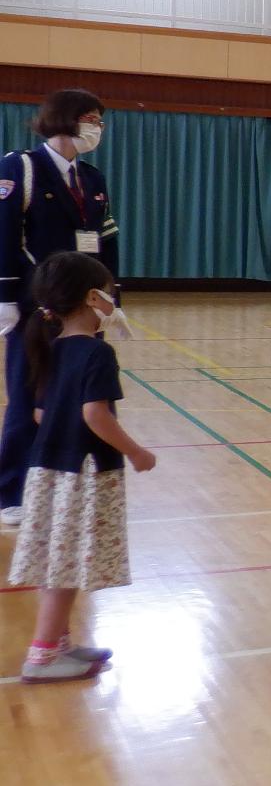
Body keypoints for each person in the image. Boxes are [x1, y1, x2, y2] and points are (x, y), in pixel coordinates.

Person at [8, 253, 155, 682]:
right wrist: (135, 451)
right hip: (83, 475)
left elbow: (39, 414)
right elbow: (96, 415)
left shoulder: (52, 349)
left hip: (48, 471)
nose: (114, 302)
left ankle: (59, 644)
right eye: (110, 294)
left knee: (62, 561)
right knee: (64, 566)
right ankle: (42, 655)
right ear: (94, 298)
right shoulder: (96, 354)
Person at [0, 90, 121, 529]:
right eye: (91, 118)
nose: (97, 129)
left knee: (79, 396)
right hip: (37, 304)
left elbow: (105, 243)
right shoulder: (22, 168)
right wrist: (7, 296)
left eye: (101, 121)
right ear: (65, 119)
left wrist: (112, 300)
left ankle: (71, 484)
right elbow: (5, 233)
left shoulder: (92, 178)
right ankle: (11, 490)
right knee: (27, 395)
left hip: (84, 308)